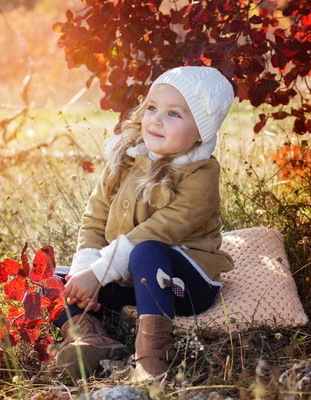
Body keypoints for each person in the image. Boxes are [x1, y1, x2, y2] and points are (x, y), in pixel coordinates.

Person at [54, 66, 235, 382]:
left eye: (174, 114)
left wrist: (99, 274)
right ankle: (90, 339)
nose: (156, 119)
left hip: (183, 282)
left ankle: (151, 359)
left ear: (201, 131)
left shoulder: (201, 174)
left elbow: (160, 231)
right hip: (127, 279)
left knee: (147, 250)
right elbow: (95, 218)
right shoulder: (127, 158)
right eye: (152, 108)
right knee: (52, 279)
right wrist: (85, 271)